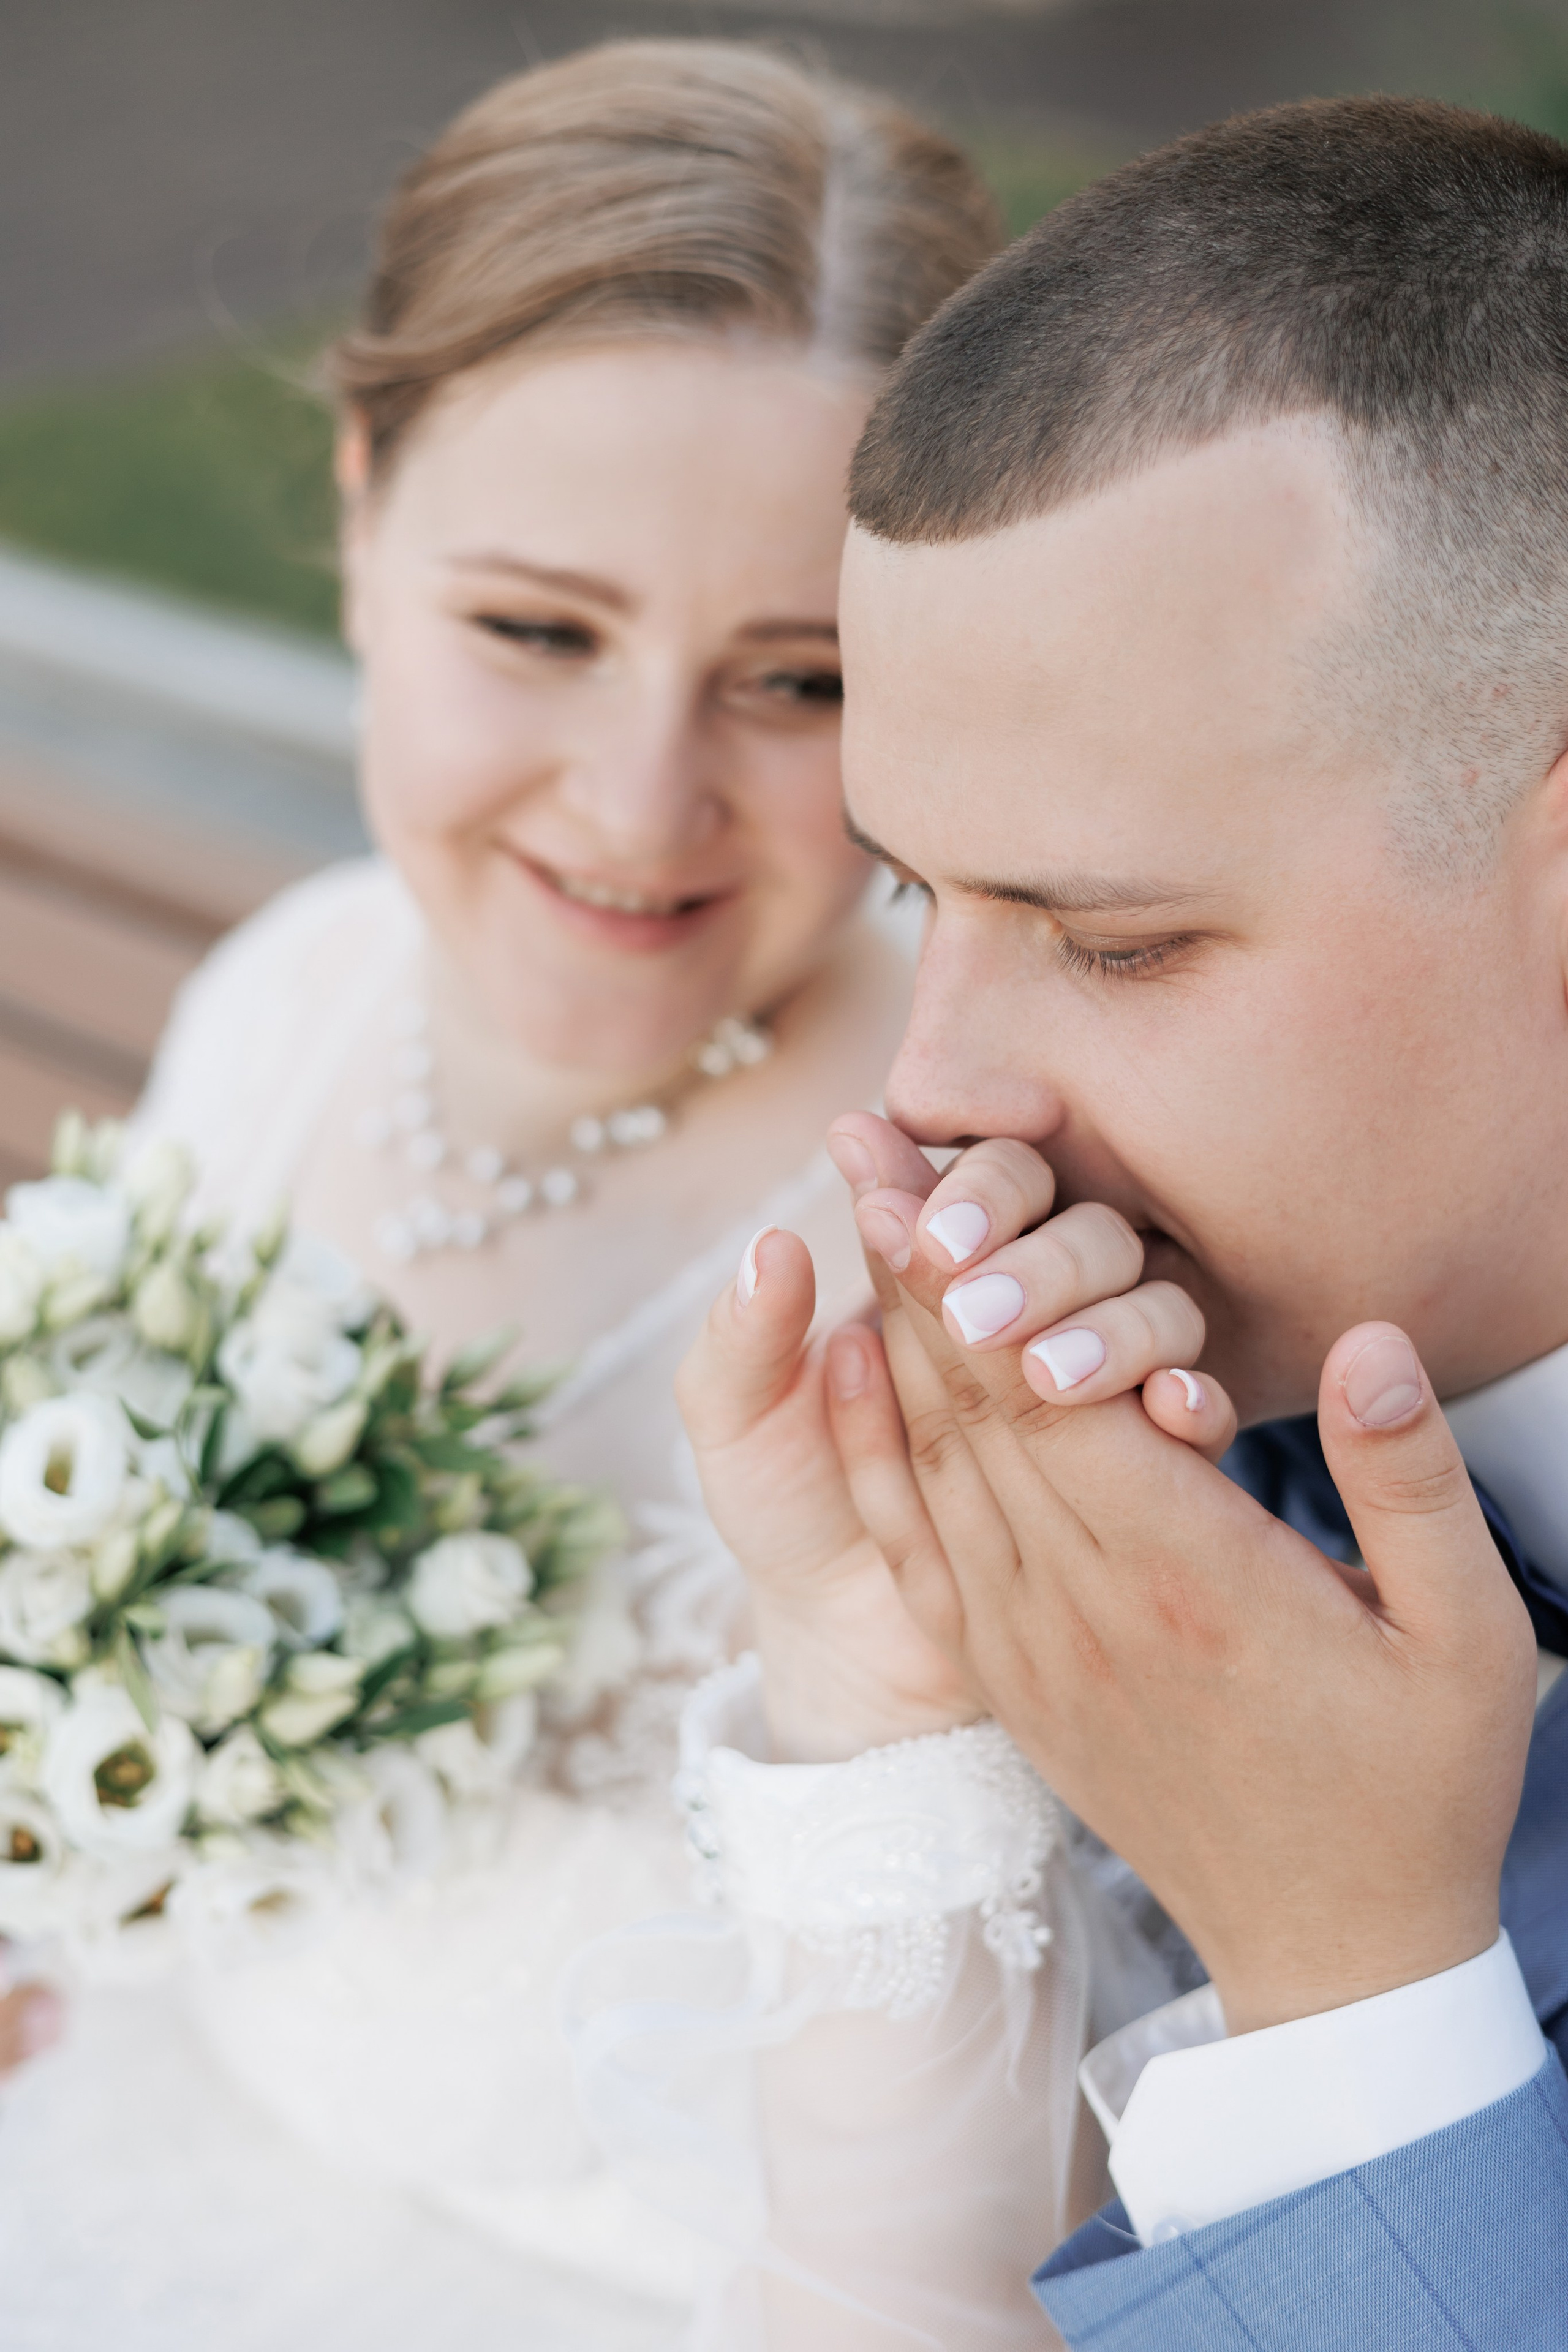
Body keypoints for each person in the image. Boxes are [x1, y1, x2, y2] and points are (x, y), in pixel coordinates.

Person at [0, 41, 1027, 2352]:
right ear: (363, 513)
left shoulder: (955, 1260)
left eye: (800, 681)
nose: (640, 804)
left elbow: (992, 2217)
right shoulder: (294, 993)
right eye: (538, 632)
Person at [673, 94, 1568, 2351]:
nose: (929, 1088)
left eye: (1121, 941)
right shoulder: (1168, 1495)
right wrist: (906, 1700)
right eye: (916, 894)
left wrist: (1357, 1977)